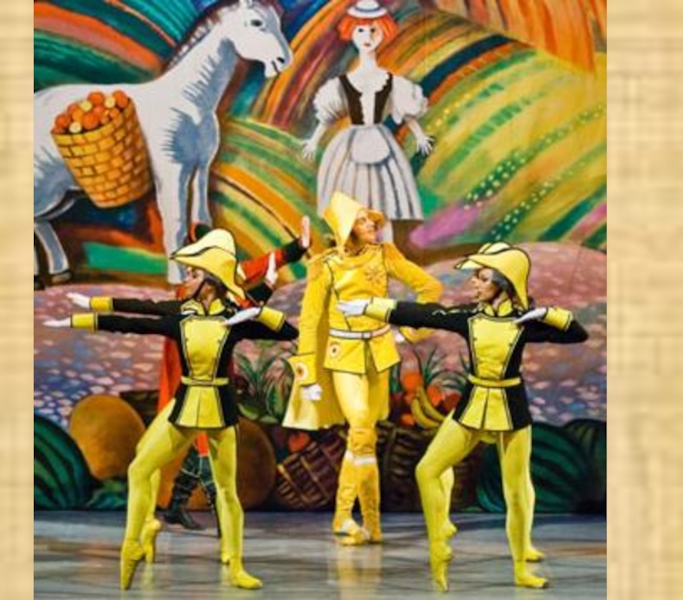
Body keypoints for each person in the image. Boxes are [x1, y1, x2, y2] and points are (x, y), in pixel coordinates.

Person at [45, 229, 298, 590]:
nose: (187, 279)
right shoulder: (181, 313)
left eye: (193, 274)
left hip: (221, 408)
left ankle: (236, 564)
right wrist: (84, 312)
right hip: (186, 404)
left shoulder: (234, 317)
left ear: (211, 280)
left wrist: (256, 313)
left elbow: (287, 332)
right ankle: (133, 543)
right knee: (139, 468)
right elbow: (134, 319)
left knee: (226, 490)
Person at [337, 242, 589, 590]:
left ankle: (521, 567)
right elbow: (426, 314)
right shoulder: (470, 317)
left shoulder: (524, 322)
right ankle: (439, 544)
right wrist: (372, 307)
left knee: (517, 491)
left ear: (504, 282)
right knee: (427, 469)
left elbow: (577, 333)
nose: (474, 283)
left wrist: (546, 314)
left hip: (511, 407)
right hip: (472, 404)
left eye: (482, 278)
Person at [283, 190, 445, 546]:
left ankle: (352, 519)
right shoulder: (326, 265)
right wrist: (307, 372)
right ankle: (363, 521)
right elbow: (309, 320)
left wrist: (408, 332)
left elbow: (430, 287)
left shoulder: (384, 254)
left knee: (363, 436)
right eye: (362, 220)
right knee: (360, 430)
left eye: (371, 218)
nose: (372, 223)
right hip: (343, 355)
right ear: (346, 229)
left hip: (379, 354)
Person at [301, 0, 435, 242]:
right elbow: (329, 113)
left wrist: (419, 135)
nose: (367, 36)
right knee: (351, 196)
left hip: (381, 142)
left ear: (383, 32)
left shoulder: (390, 81)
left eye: (373, 30)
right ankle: (349, 249)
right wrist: (314, 140)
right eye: (360, 30)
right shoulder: (343, 84)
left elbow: (404, 109)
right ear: (350, 32)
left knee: (383, 199)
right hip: (349, 145)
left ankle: (386, 248)